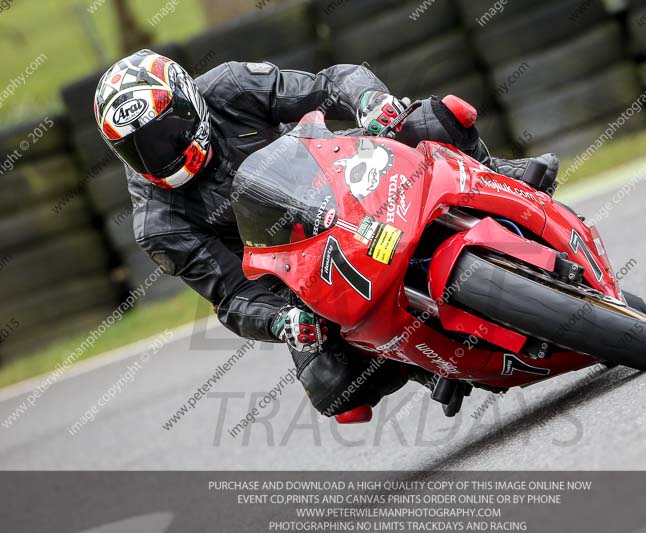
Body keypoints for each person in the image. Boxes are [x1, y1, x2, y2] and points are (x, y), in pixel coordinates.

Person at [94, 49, 560, 419]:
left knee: (430, 118)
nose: (160, 154)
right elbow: (232, 297)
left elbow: (330, 83)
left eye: (165, 134)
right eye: (139, 151)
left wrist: (369, 102)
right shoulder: (159, 223)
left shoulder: (231, 86)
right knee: (332, 385)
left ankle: (500, 176)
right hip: (299, 271)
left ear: (187, 100)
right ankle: (425, 363)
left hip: (343, 180)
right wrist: (281, 320)